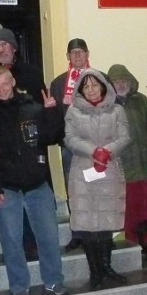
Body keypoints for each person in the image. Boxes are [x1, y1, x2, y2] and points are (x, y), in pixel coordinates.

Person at [0, 66, 68, 295]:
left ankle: (54, 281)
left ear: (13, 81)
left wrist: (51, 112)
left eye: (5, 83)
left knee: (48, 237)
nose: (1, 89)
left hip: (37, 184)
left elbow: (53, 137)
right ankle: (19, 288)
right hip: (6, 187)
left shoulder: (33, 108)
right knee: (11, 241)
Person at [65, 69, 131, 289]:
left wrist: (107, 151)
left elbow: (124, 137)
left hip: (109, 170)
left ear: (103, 86)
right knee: (88, 226)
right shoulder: (73, 111)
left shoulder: (117, 110)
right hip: (83, 172)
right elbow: (70, 139)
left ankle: (107, 268)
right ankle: (95, 272)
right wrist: (93, 151)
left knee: (105, 225)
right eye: (86, 86)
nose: (91, 90)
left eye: (95, 85)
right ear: (80, 90)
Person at [107, 64, 147, 245]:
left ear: (130, 81)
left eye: (123, 80)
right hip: (125, 171)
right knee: (130, 213)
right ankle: (132, 247)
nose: (120, 84)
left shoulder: (141, 100)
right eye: (116, 81)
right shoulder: (107, 107)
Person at [51, 38, 91, 251]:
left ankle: (100, 233)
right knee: (73, 188)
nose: (77, 56)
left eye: (81, 52)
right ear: (67, 56)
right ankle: (78, 233)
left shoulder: (99, 79)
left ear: (87, 54)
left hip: (94, 147)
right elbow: (56, 117)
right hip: (70, 146)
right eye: (73, 52)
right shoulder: (58, 83)